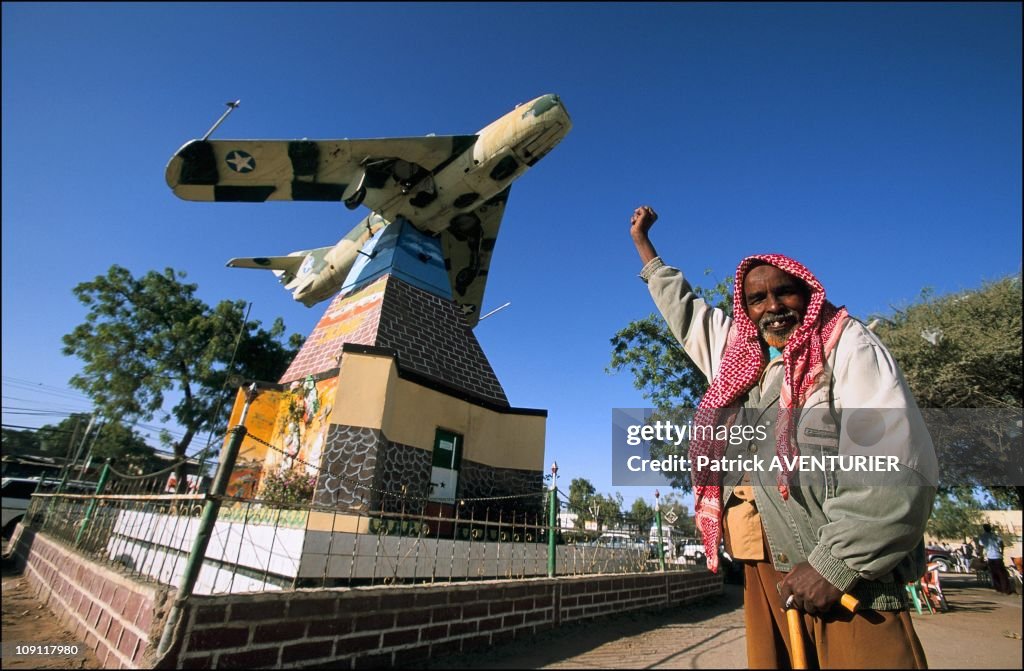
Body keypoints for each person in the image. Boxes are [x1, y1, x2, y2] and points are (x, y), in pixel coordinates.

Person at [629, 205, 937, 669]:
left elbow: (898, 462)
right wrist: (645, 249)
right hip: (766, 566)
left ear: (806, 294)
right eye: (757, 299)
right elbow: (688, 316)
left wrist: (836, 564)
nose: (772, 306)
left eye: (784, 293)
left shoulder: (845, 347)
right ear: (747, 310)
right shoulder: (745, 359)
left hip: (845, 577)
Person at [978, 524, 1013, 594]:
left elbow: (981, 547)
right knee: (1002, 574)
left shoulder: (982, 537)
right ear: (990, 529)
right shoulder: (995, 536)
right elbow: (1001, 544)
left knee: (994, 573)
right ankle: (1006, 589)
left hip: (990, 557)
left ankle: (999, 588)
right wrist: (1001, 552)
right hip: (998, 556)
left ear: (984, 529)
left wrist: (981, 557)